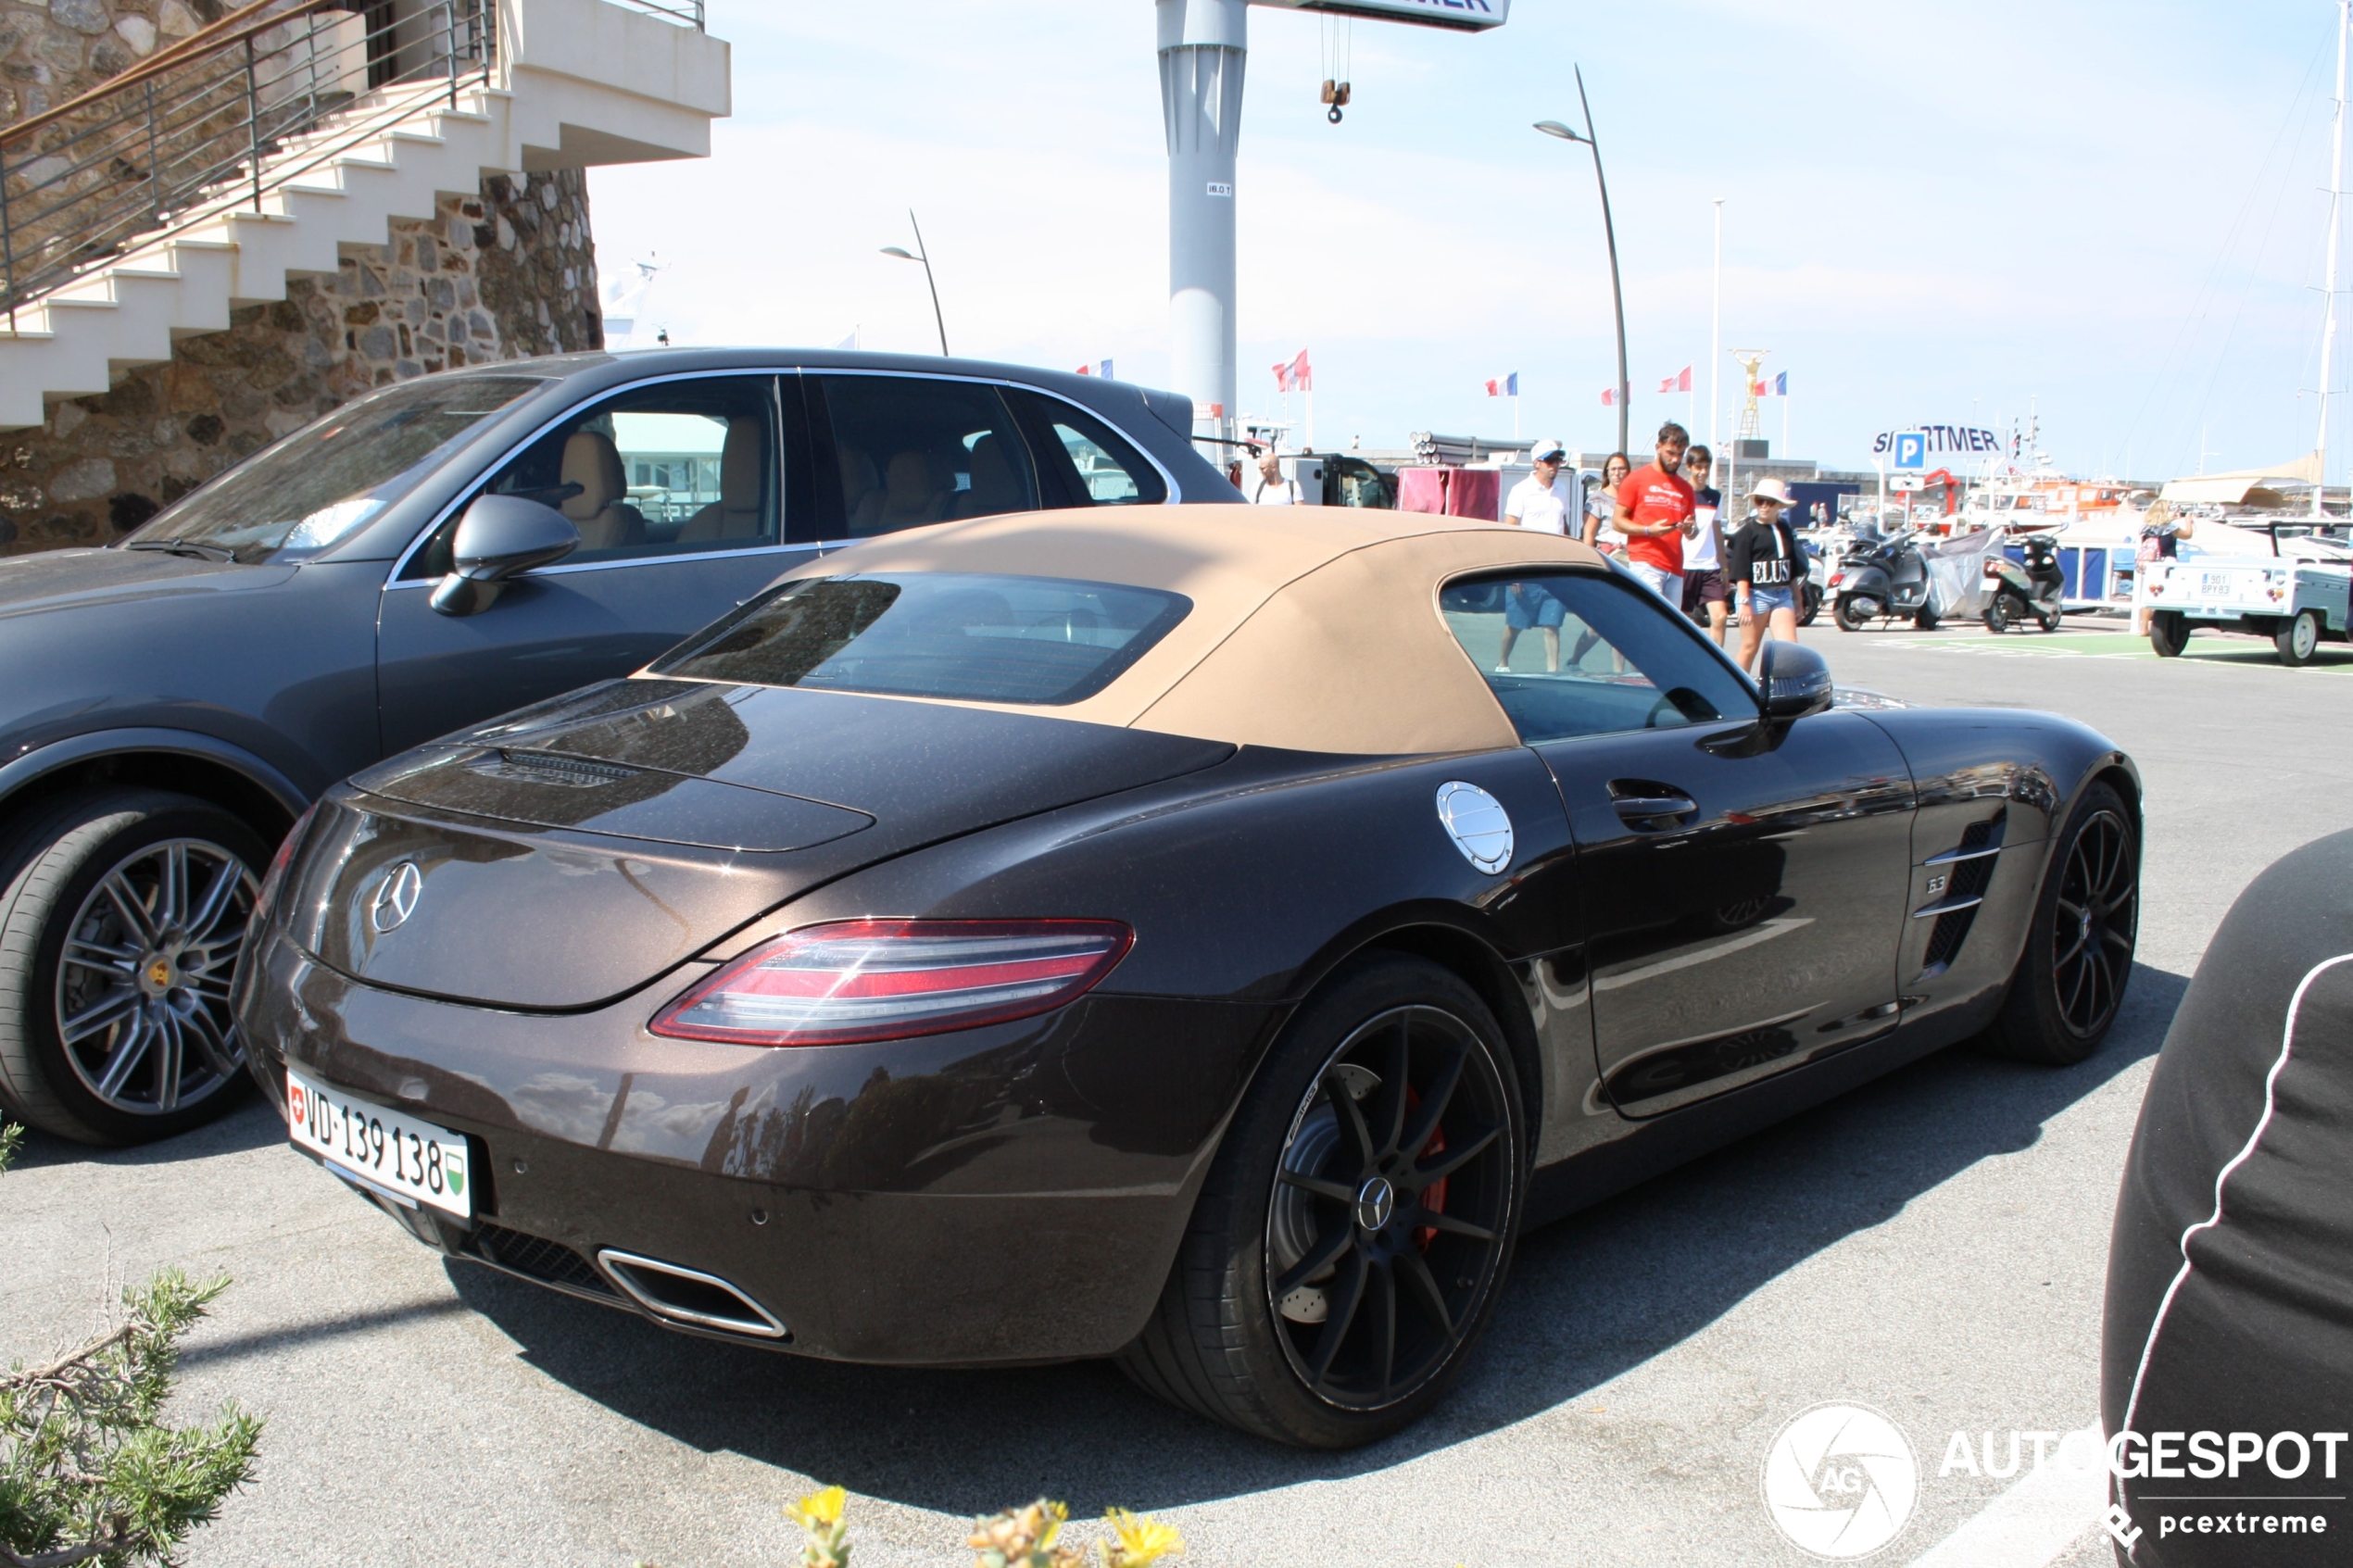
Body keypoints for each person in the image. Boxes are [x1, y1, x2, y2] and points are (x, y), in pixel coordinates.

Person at [1495, 439, 1576, 672]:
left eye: (1558, 460)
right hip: (1527, 567)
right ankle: (1503, 663)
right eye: (1550, 460)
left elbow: (1564, 524)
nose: (1555, 465)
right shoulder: (1521, 490)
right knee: (1515, 623)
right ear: (1537, 462)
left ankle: (1553, 672)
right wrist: (1514, 571)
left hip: (1554, 569)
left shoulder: (1561, 490)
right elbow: (1510, 530)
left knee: (1552, 624)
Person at [1610, 421, 1697, 605]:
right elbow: (1617, 521)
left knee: (1671, 627)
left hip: (1675, 568)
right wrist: (1648, 530)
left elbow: (1693, 532)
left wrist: (1690, 530)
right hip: (1645, 562)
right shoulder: (1637, 479)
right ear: (1658, 447)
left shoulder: (1686, 489)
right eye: (1670, 453)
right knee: (1650, 620)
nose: (1675, 460)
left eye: (1680, 454)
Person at [1727, 476, 1805, 671]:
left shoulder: (1785, 529)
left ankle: (1786, 693)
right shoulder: (1747, 532)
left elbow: (1791, 567)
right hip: (1755, 595)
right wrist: (1744, 603)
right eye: (1760, 500)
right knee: (1750, 646)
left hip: (1782, 594)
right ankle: (1736, 689)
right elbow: (1741, 570)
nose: (1764, 506)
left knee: (1789, 649)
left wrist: (1798, 599)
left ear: (1779, 505)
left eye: (1770, 502)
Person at [1679, 444, 1730, 645]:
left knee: (1720, 617)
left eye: (1706, 467)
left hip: (1710, 567)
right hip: (1684, 566)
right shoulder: (1681, 493)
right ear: (1689, 466)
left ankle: (1717, 666)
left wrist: (1724, 568)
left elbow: (1718, 532)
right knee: (1679, 619)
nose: (1703, 472)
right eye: (1698, 467)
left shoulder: (1715, 497)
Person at [2133, 500, 2193, 634]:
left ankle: (2144, 628)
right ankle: (2167, 625)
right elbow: (2188, 535)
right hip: (2166, 563)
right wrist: (2189, 521)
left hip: (2149, 563)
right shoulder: (2171, 528)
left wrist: (2170, 518)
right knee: (2170, 594)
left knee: (2149, 594)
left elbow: (2157, 530)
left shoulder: (2145, 528)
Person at [1581, 451, 1631, 553]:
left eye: (1621, 468)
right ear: (1607, 472)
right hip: (1606, 556)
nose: (1617, 473)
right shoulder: (1597, 499)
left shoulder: (1634, 498)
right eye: (1613, 469)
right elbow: (1589, 534)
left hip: (1629, 554)